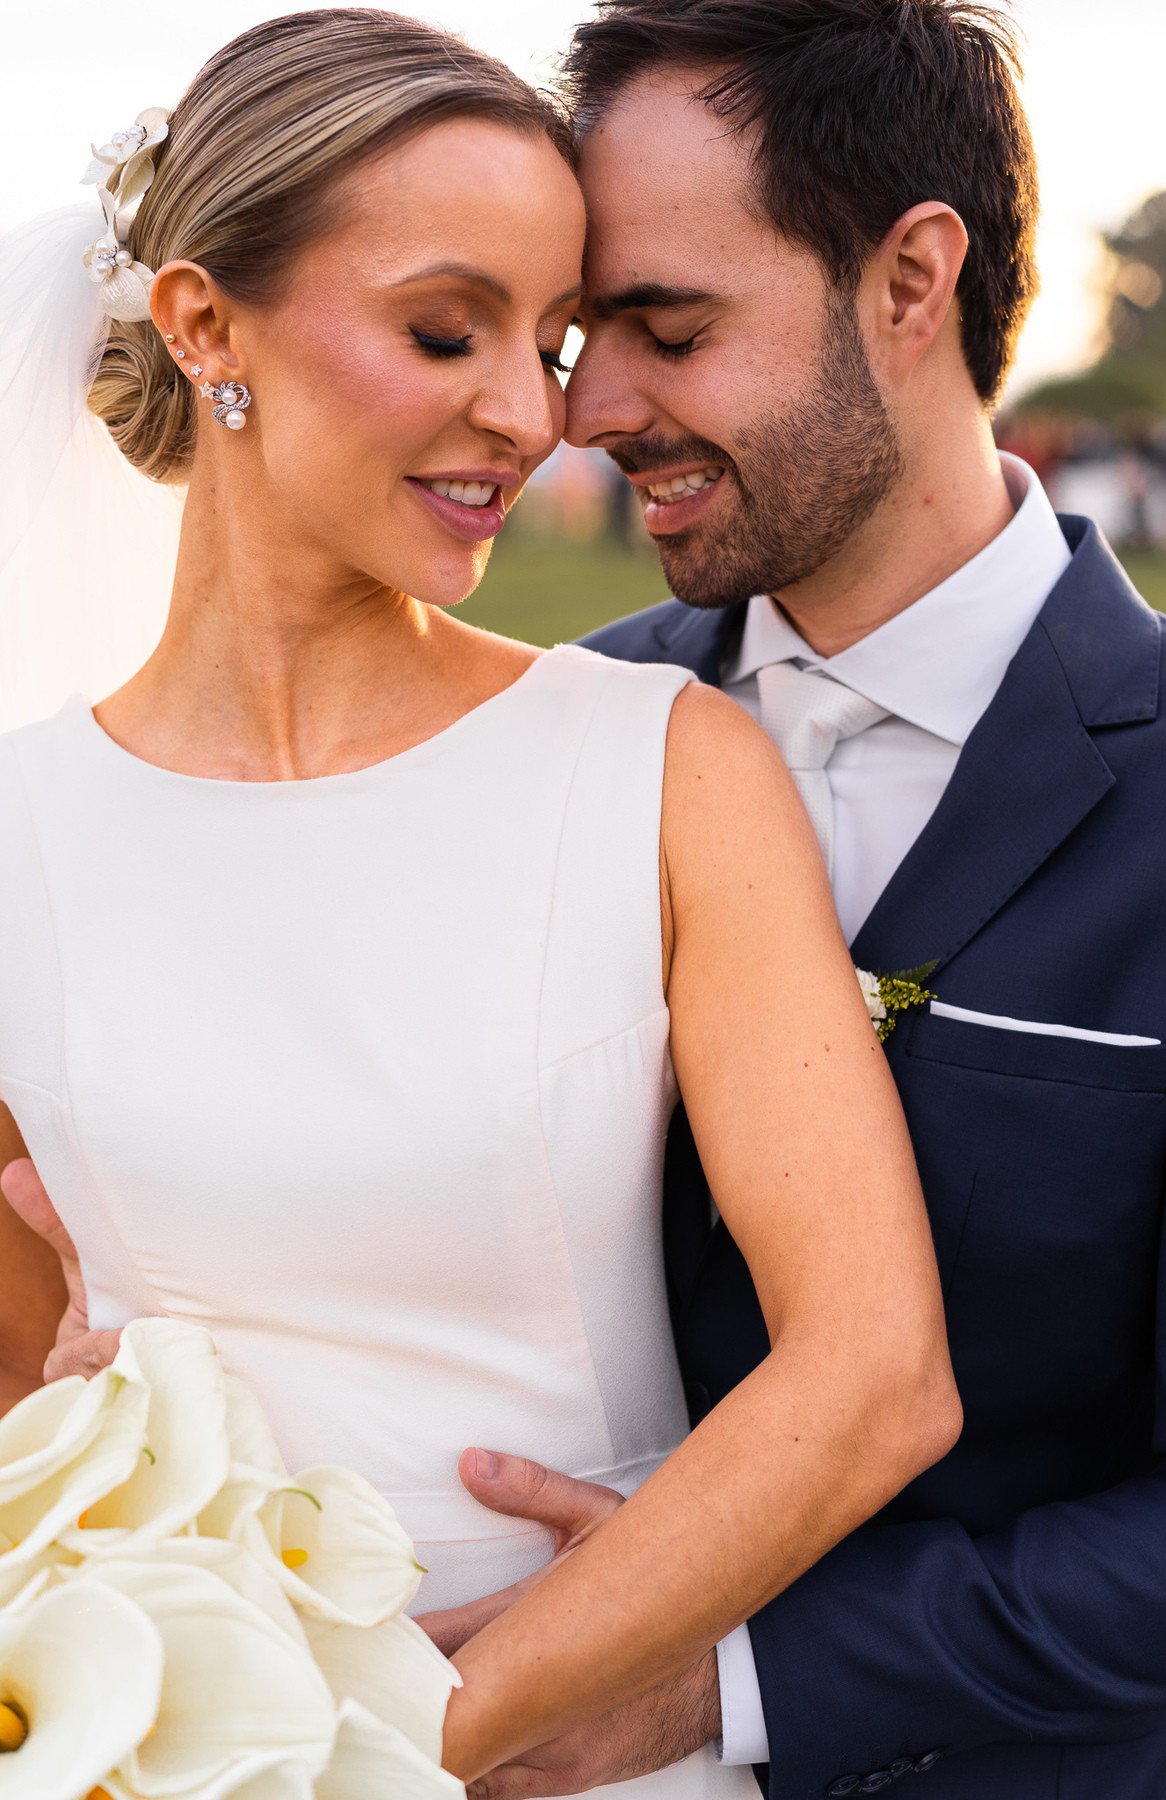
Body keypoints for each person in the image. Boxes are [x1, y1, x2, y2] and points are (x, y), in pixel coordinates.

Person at [0, 9, 961, 1798]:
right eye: (449, 332)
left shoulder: (661, 768)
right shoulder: (17, 834)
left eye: (554, 340)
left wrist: (389, 1743)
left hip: (566, 1751)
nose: (535, 416)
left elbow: (876, 1376)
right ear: (203, 324)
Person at [421, 3, 1166, 1797]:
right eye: (582, 338)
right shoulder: (548, 737)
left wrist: (723, 1680)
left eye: (672, 329)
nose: (587, 413)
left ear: (911, 281)